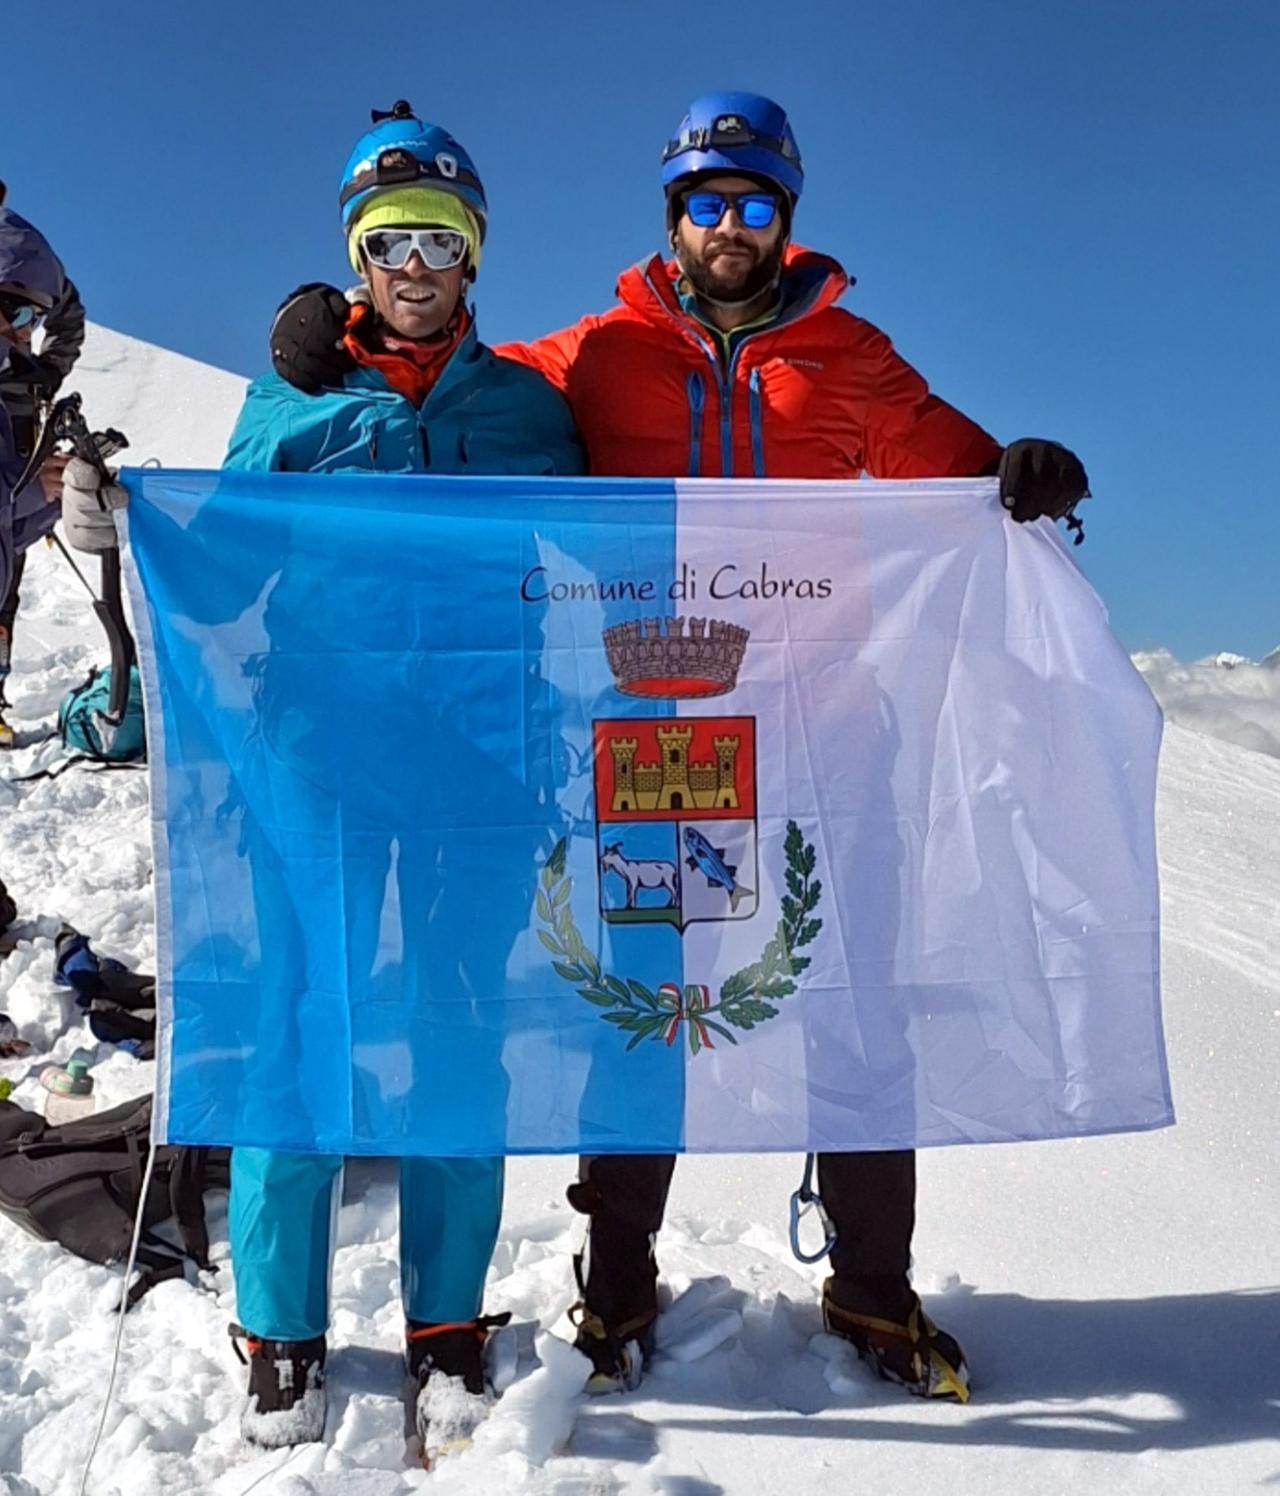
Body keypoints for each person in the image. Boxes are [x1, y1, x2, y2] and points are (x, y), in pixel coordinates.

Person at [273, 90, 1093, 1407]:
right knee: (646, 1009)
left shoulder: (850, 353)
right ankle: (616, 1283)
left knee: (857, 1004)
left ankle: (873, 1289)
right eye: (707, 202)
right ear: (674, 215)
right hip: (661, 741)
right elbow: (451, 374)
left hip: (827, 732)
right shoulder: (596, 354)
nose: (730, 225)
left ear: (787, 216)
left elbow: (949, 459)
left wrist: (1018, 467)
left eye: (755, 202)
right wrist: (325, 328)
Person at [61, 102, 583, 1457]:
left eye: (443, 239)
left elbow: (604, 553)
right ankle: (280, 1323)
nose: (417, 264)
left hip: (478, 761)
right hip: (320, 763)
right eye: (391, 240)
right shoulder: (292, 402)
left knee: (457, 1026)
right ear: (358, 260)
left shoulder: (530, 409)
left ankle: (447, 1322)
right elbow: (223, 558)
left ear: (476, 256)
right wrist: (118, 526)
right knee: (305, 1021)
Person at [0, 203, 76, 747]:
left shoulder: (27, 252)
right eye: (21, 317)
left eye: (34, 320)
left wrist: (57, 495)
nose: (30, 332)